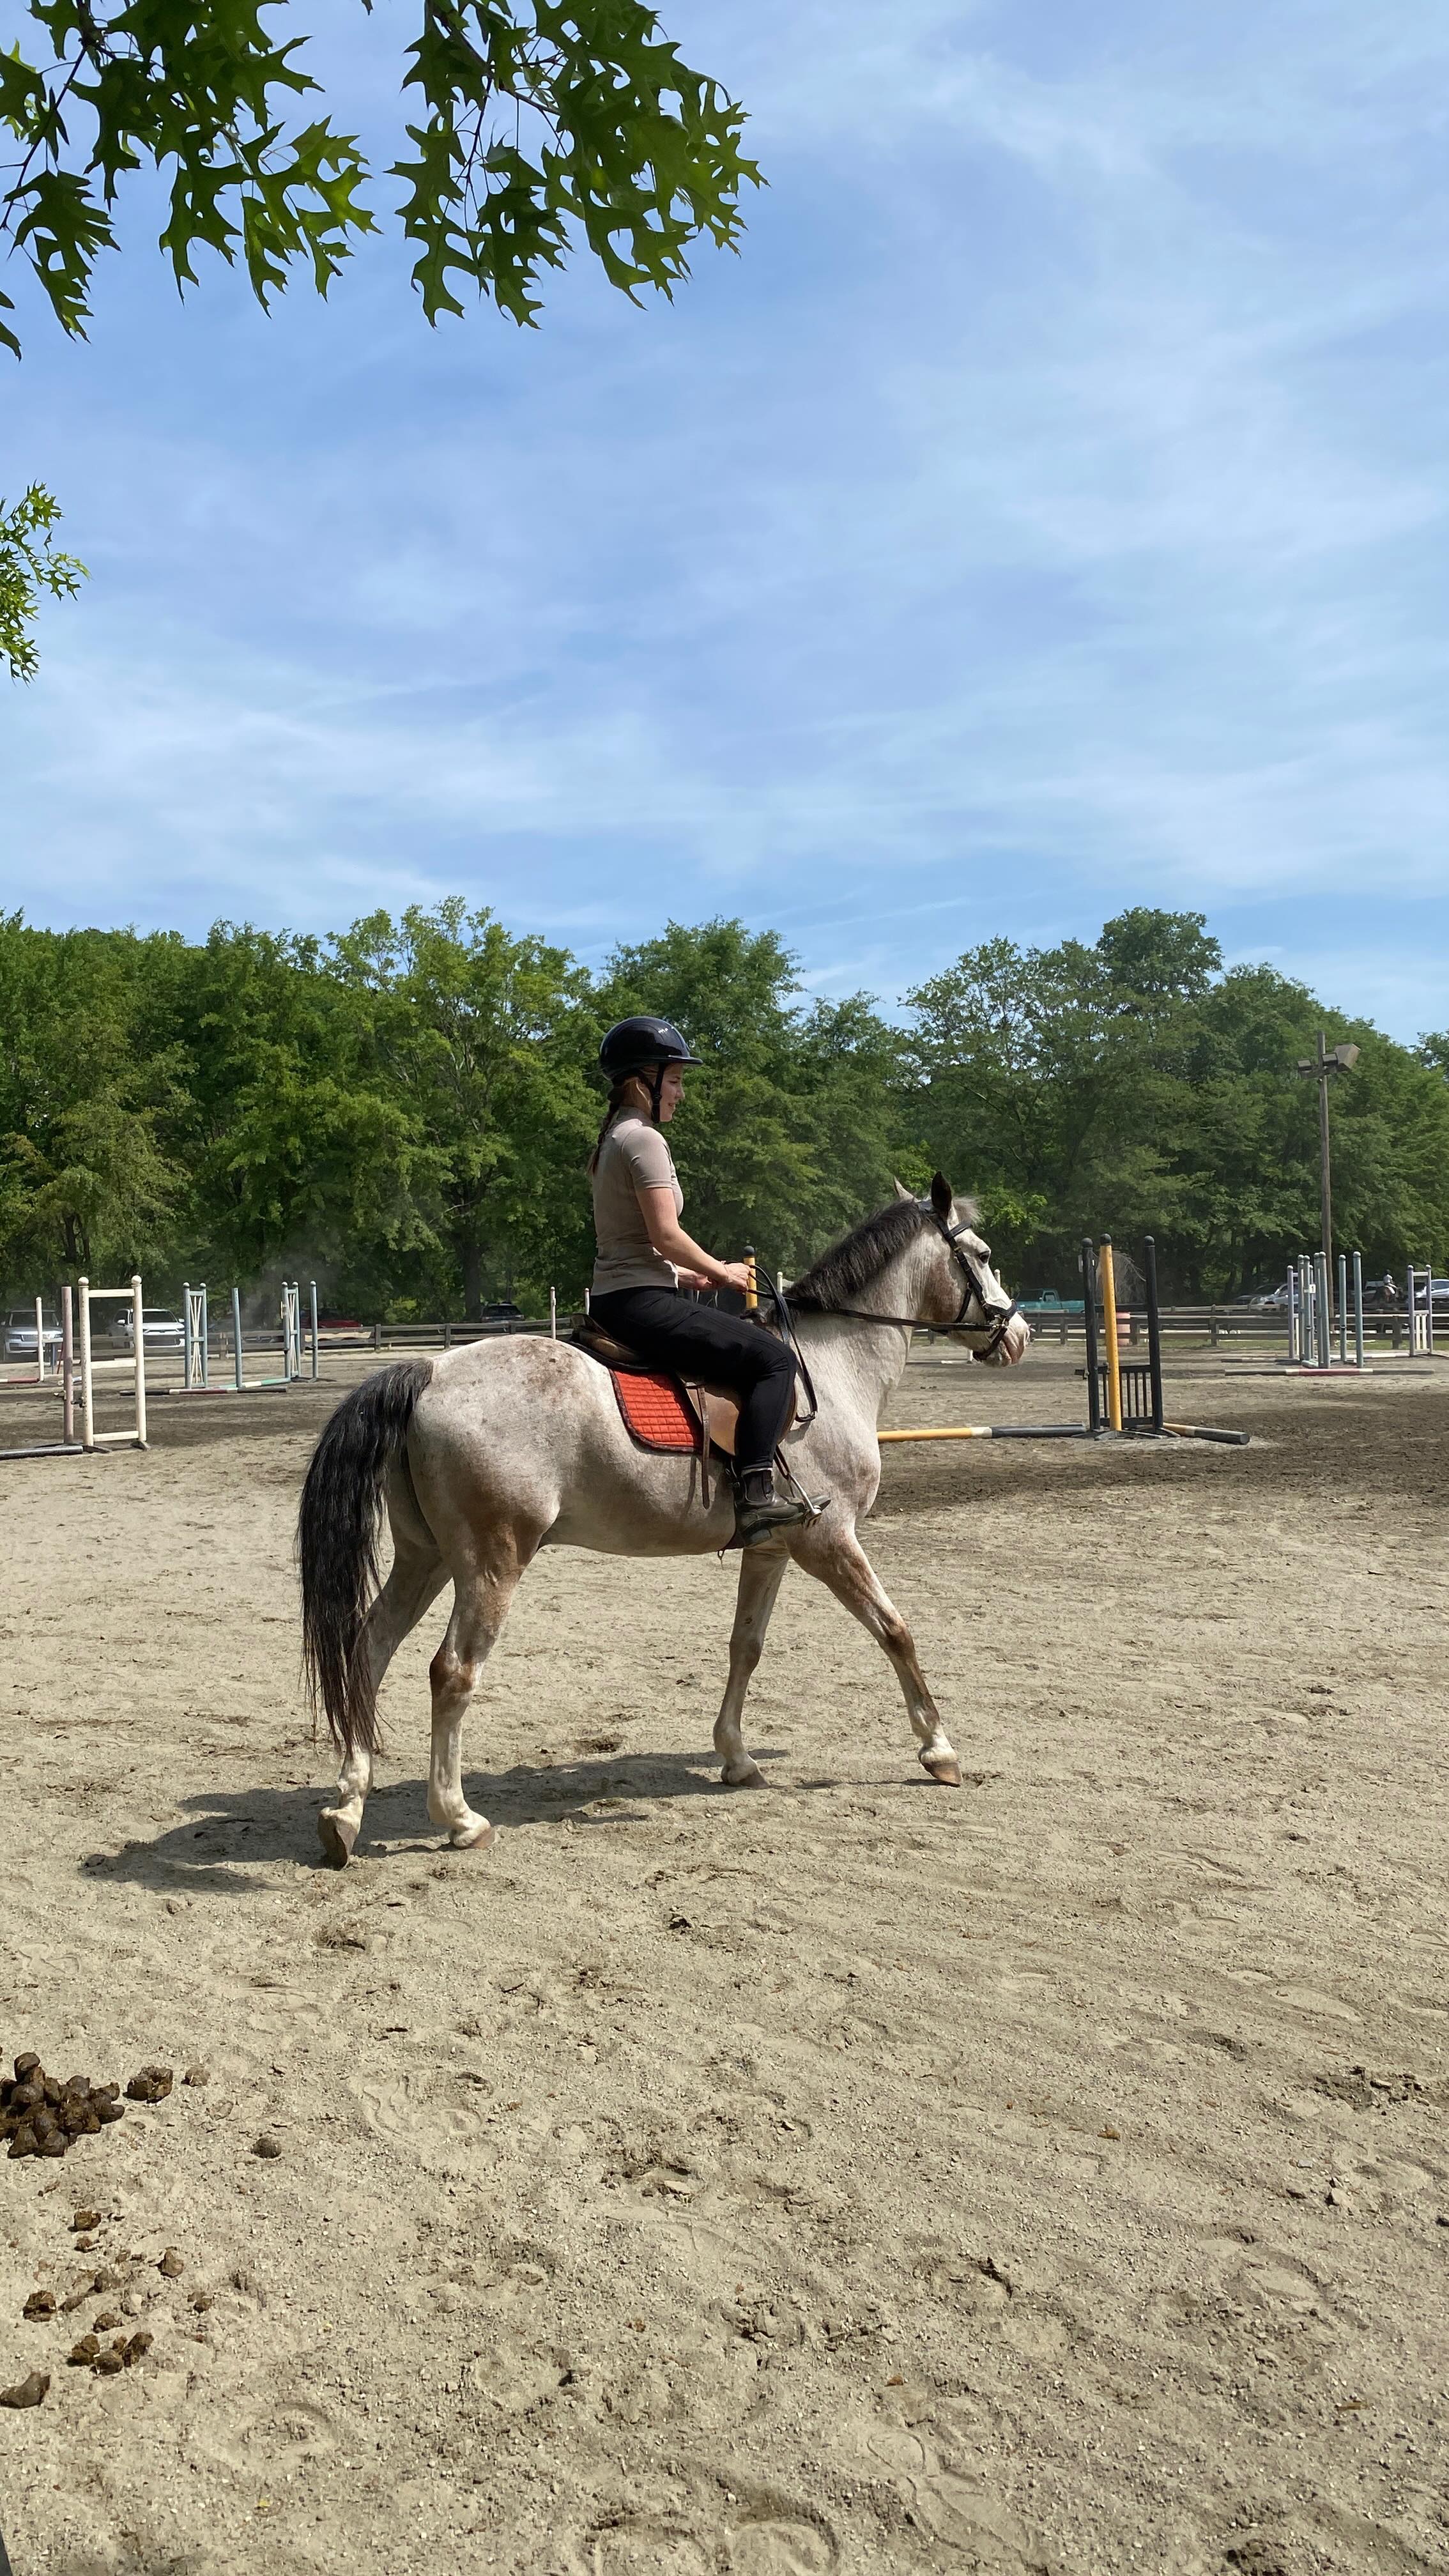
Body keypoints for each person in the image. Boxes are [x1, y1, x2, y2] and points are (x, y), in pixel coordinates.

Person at [587, 1016, 813, 1545]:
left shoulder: (611, 1140)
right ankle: (757, 1493)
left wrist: (687, 1275)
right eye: (677, 1081)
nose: (682, 1094)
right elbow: (666, 1234)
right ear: (644, 1079)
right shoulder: (643, 1139)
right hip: (641, 1304)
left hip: (620, 1295)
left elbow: (633, 1245)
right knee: (775, 1360)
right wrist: (722, 1271)